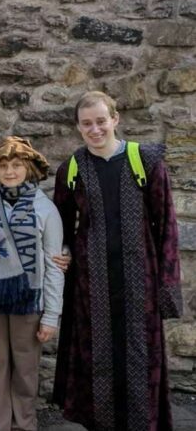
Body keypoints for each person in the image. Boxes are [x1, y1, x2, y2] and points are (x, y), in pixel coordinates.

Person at [52, 91, 182, 431]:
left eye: (101, 121)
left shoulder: (146, 162)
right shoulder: (71, 169)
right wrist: (64, 251)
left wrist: (167, 287)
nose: (95, 129)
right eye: (86, 124)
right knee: (98, 361)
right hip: (91, 285)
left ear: (115, 119)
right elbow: (60, 224)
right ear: (78, 127)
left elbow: (167, 226)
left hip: (141, 282)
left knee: (140, 357)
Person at [0, 136, 64, 431]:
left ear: (28, 168)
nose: (9, 171)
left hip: (29, 299)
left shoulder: (46, 210)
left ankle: (23, 424)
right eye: (3, 166)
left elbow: (55, 267)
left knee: (26, 369)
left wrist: (51, 315)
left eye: (16, 165)